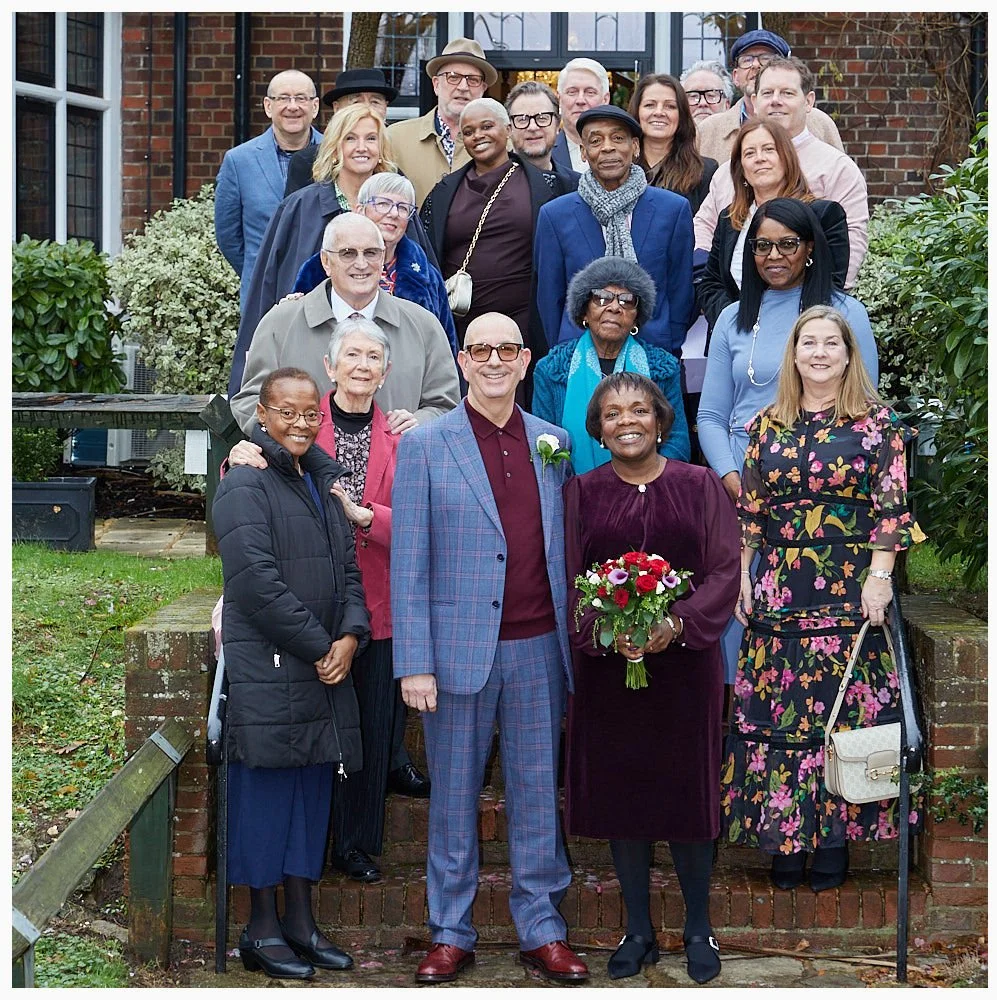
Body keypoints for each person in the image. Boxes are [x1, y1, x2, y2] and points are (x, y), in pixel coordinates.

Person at [391, 313, 589, 985]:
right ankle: (451, 929)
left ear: (526, 360)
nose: (495, 360)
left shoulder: (552, 442)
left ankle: (542, 927)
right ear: (463, 360)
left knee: (537, 794)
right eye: (482, 350)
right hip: (455, 654)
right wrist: (413, 661)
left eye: (507, 349)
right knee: (452, 798)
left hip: (539, 649)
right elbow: (408, 562)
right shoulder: (427, 446)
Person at [723, 305, 925, 892]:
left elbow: (892, 508)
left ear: (847, 353)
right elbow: (751, 511)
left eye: (829, 343)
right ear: (792, 354)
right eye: (806, 342)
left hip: (849, 585)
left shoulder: (878, 425)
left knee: (839, 713)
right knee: (780, 715)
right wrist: (742, 574)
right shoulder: (766, 425)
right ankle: (786, 841)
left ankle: (834, 843)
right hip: (781, 587)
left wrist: (881, 576)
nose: (817, 352)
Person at [226, 317, 431, 886]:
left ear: (386, 372)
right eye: (353, 356)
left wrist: (373, 519)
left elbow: (423, 521)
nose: (362, 366)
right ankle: (309, 849)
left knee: (368, 731)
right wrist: (235, 456)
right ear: (330, 367)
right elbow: (251, 477)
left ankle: (357, 843)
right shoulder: (301, 425)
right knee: (320, 735)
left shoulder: (408, 437)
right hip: (313, 606)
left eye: (373, 358)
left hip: (380, 604)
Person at [564, 372, 739, 984]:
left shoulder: (698, 487)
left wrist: (677, 626)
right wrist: (606, 630)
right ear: (599, 429)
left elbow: (722, 572)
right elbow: (569, 576)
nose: (627, 421)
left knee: (686, 794)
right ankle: (636, 928)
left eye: (639, 410)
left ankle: (697, 926)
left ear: (661, 421)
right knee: (624, 793)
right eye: (613, 414)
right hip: (612, 671)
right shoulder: (581, 492)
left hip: (686, 669)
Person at [213, 366, 370, 980]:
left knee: (310, 793)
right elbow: (253, 583)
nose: (301, 423)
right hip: (274, 667)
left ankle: (301, 924)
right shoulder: (244, 483)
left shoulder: (321, 480)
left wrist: (352, 637)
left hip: (325, 667)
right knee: (266, 797)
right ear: (264, 413)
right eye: (287, 412)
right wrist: (319, 646)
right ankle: (260, 929)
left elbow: (348, 573)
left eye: (311, 412)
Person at [697, 197, 878, 689]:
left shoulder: (845, 314)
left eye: (787, 244)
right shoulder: (735, 317)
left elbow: (866, 417)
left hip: (823, 502)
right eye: (761, 246)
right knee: (741, 608)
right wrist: (734, 480)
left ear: (811, 249)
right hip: (740, 488)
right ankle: (744, 733)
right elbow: (711, 414)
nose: (774, 256)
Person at [230, 214, 459, 435]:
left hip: (398, 470)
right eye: (348, 253)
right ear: (326, 261)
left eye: (371, 253)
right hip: (302, 471)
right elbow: (250, 403)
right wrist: (292, 434)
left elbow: (447, 406)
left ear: (382, 260)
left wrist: (418, 424)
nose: (361, 264)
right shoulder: (280, 324)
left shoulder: (424, 326)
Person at [229, 105, 401, 394]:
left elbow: (423, 283)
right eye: (350, 138)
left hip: (385, 358)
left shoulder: (397, 207)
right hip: (311, 354)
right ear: (335, 147)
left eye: (371, 139)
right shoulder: (299, 208)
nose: (362, 147)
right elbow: (267, 284)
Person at [534, 105, 694, 357]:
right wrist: (564, 351)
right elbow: (550, 299)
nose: (607, 147)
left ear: (635, 147)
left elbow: (680, 290)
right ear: (584, 152)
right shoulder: (555, 215)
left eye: (618, 138)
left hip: (652, 351)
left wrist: (668, 346)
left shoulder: (672, 210)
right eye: (596, 140)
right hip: (578, 355)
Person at [694, 57, 869, 287]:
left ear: (808, 101)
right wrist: (715, 292)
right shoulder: (731, 170)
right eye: (767, 93)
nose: (776, 101)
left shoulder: (837, 168)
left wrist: (815, 306)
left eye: (787, 93)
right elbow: (705, 227)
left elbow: (852, 243)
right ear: (754, 102)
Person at [420, 98, 558, 355]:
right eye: (469, 132)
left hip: (524, 320)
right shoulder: (443, 192)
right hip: (461, 319)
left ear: (507, 130)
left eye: (486, 126)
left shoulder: (546, 187)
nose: (478, 136)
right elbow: (427, 253)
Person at [531, 257, 689, 469]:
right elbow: (543, 446)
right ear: (584, 311)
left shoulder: (663, 368)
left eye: (627, 300)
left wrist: (652, 486)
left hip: (650, 492)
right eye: (601, 298)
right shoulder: (551, 369)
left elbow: (677, 442)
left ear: (636, 317)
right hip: (573, 493)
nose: (615, 307)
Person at [696, 117, 849, 334]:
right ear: (741, 168)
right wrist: (737, 323)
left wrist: (777, 327)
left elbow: (830, 286)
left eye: (769, 149)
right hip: (736, 337)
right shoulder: (728, 219)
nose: (759, 159)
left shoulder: (823, 215)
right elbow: (712, 284)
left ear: (787, 159)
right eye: (749, 153)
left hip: (801, 337)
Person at [290, 173, 458, 355]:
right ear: (360, 210)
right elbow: (301, 331)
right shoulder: (321, 265)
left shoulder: (425, 273)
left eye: (403, 208)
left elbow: (445, 344)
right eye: (383, 204)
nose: (393, 214)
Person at [214, 70, 322, 311]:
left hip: (324, 291)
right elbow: (228, 236)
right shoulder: (239, 161)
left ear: (314, 107)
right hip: (262, 294)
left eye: (301, 98)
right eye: (283, 98)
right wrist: (260, 268)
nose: (292, 106)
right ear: (268, 106)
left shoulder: (336, 155)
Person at [695, 29, 843, 166]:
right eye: (746, 60)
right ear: (735, 77)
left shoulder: (820, 124)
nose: (755, 65)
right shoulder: (709, 131)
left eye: (766, 58)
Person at [387, 37, 496, 208]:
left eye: (472, 79)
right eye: (453, 77)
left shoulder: (503, 145)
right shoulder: (394, 139)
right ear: (436, 84)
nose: (463, 87)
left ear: (483, 89)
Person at [285, 67, 399, 197]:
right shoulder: (306, 163)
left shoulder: (392, 167)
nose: (366, 108)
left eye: (375, 102)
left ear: (386, 108)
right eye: (356, 102)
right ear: (337, 108)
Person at [628, 72, 718, 217]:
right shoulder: (620, 167)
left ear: (681, 115)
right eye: (650, 105)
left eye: (670, 106)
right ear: (637, 112)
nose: (659, 112)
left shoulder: (705, 171)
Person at [504, 80, 580, 195]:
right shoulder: (490, 183)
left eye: (542, 118)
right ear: (509, 129)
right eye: (522, 119)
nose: (533, 127)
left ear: (557, 125)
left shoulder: (577, 187)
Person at [552, 57, 610, 173]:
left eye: (590, 92)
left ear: (605, 99)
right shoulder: (544, 152)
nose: (580, 100)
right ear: (559, 98)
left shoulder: (624, 152)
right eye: (572, 92)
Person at [681, 59, 734, 124]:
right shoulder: (668, 133)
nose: (703, 103)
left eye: (711, 95)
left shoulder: (744, 133)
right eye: (693, 96)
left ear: (727, 105)